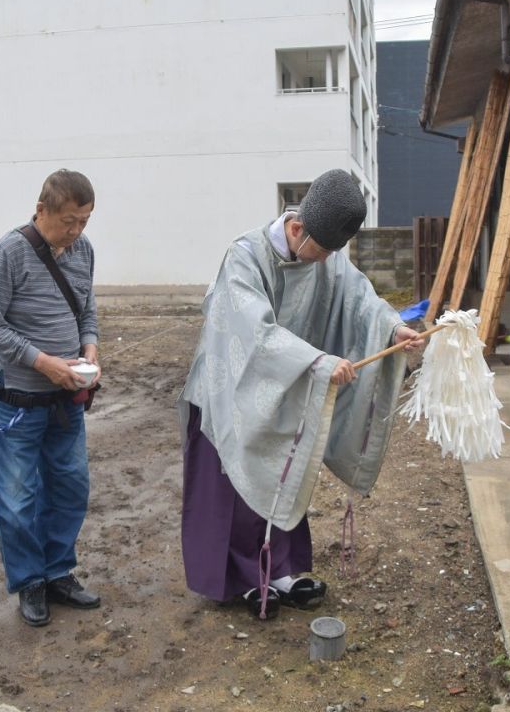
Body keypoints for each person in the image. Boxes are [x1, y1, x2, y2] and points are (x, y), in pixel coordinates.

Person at [178, 169, 422, 620]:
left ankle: (282, 570)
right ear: (296, 229)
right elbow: (252, 332)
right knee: (236, 482)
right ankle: (243, 579)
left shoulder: (325, 254)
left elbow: (358, 298)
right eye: (322, 251)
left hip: (291, 382)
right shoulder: (245, 257)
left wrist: (392, 326)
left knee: (285, 468)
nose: (325, 261)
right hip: (231, 390)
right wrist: (318, 362)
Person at [0, 169, 101, 629]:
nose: (76, 231)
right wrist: (43, 362)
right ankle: (30, 581)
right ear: (41, 209)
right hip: (16, 400)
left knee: (70, 486)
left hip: (66, 398)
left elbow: (86, 309)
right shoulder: (10, 251)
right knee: (18, 494)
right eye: (69, 221)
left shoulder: (83, 250)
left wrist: (89, 349)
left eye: (84, 221)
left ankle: (58, 572)